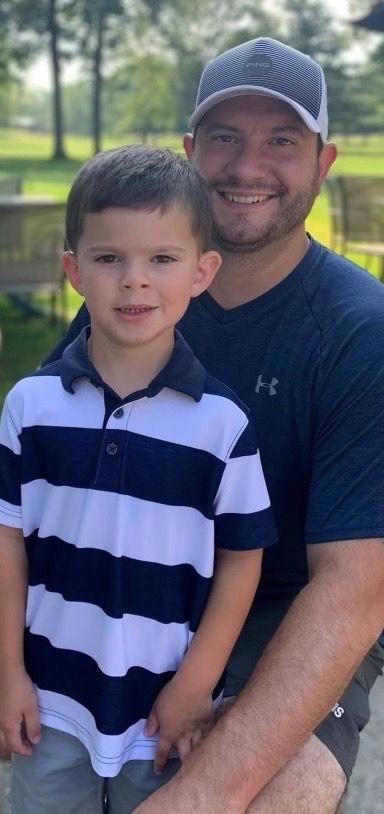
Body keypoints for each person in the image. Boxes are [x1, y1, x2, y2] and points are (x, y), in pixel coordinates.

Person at [43, 37, 384, 814]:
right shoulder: (134, 301)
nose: (247, 168)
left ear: (324, 163)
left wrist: (201, 798)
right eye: (224, 137)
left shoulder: (364, 333)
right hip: (144, 586)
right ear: (190, 153)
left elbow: (354, 587)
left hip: (289, 608)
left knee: (267, 798)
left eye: (282, 141)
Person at [0, 144, 278, 814]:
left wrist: (197, 683)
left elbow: (242, 560)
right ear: (73, 270)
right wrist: (7, 672)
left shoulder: (223, 426)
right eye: (108, 258)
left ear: (202, 271)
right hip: (50, 699)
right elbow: (6, 545)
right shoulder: (29, 408)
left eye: (162, 259)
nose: (134, 281)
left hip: (162, 709)